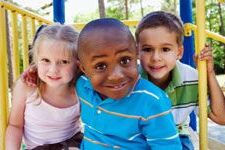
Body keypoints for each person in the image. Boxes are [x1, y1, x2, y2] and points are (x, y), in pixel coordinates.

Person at [76, 18, 181, 149]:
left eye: (125, 60)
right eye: (100, 66)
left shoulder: (151, 101)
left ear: (136, 54)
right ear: (84, 69)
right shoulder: (81, 86)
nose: (116, 75)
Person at [135, 11, 225, 150]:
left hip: (176, 135)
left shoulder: (190, 78)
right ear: (137, 52)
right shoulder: (131, 80)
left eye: (165, 49)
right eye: (148, 49)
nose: (156, 57)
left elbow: (221, 118)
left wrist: (209, 73)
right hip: (141, 137)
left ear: (179, 52)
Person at [5, 24, 83, 150]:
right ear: (36, 61)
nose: (53, 70)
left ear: (78, 64)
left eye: (64, 62)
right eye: (46, 60)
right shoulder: (27, 87)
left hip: (72, 142)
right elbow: (15, 125)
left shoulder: (81, 88)